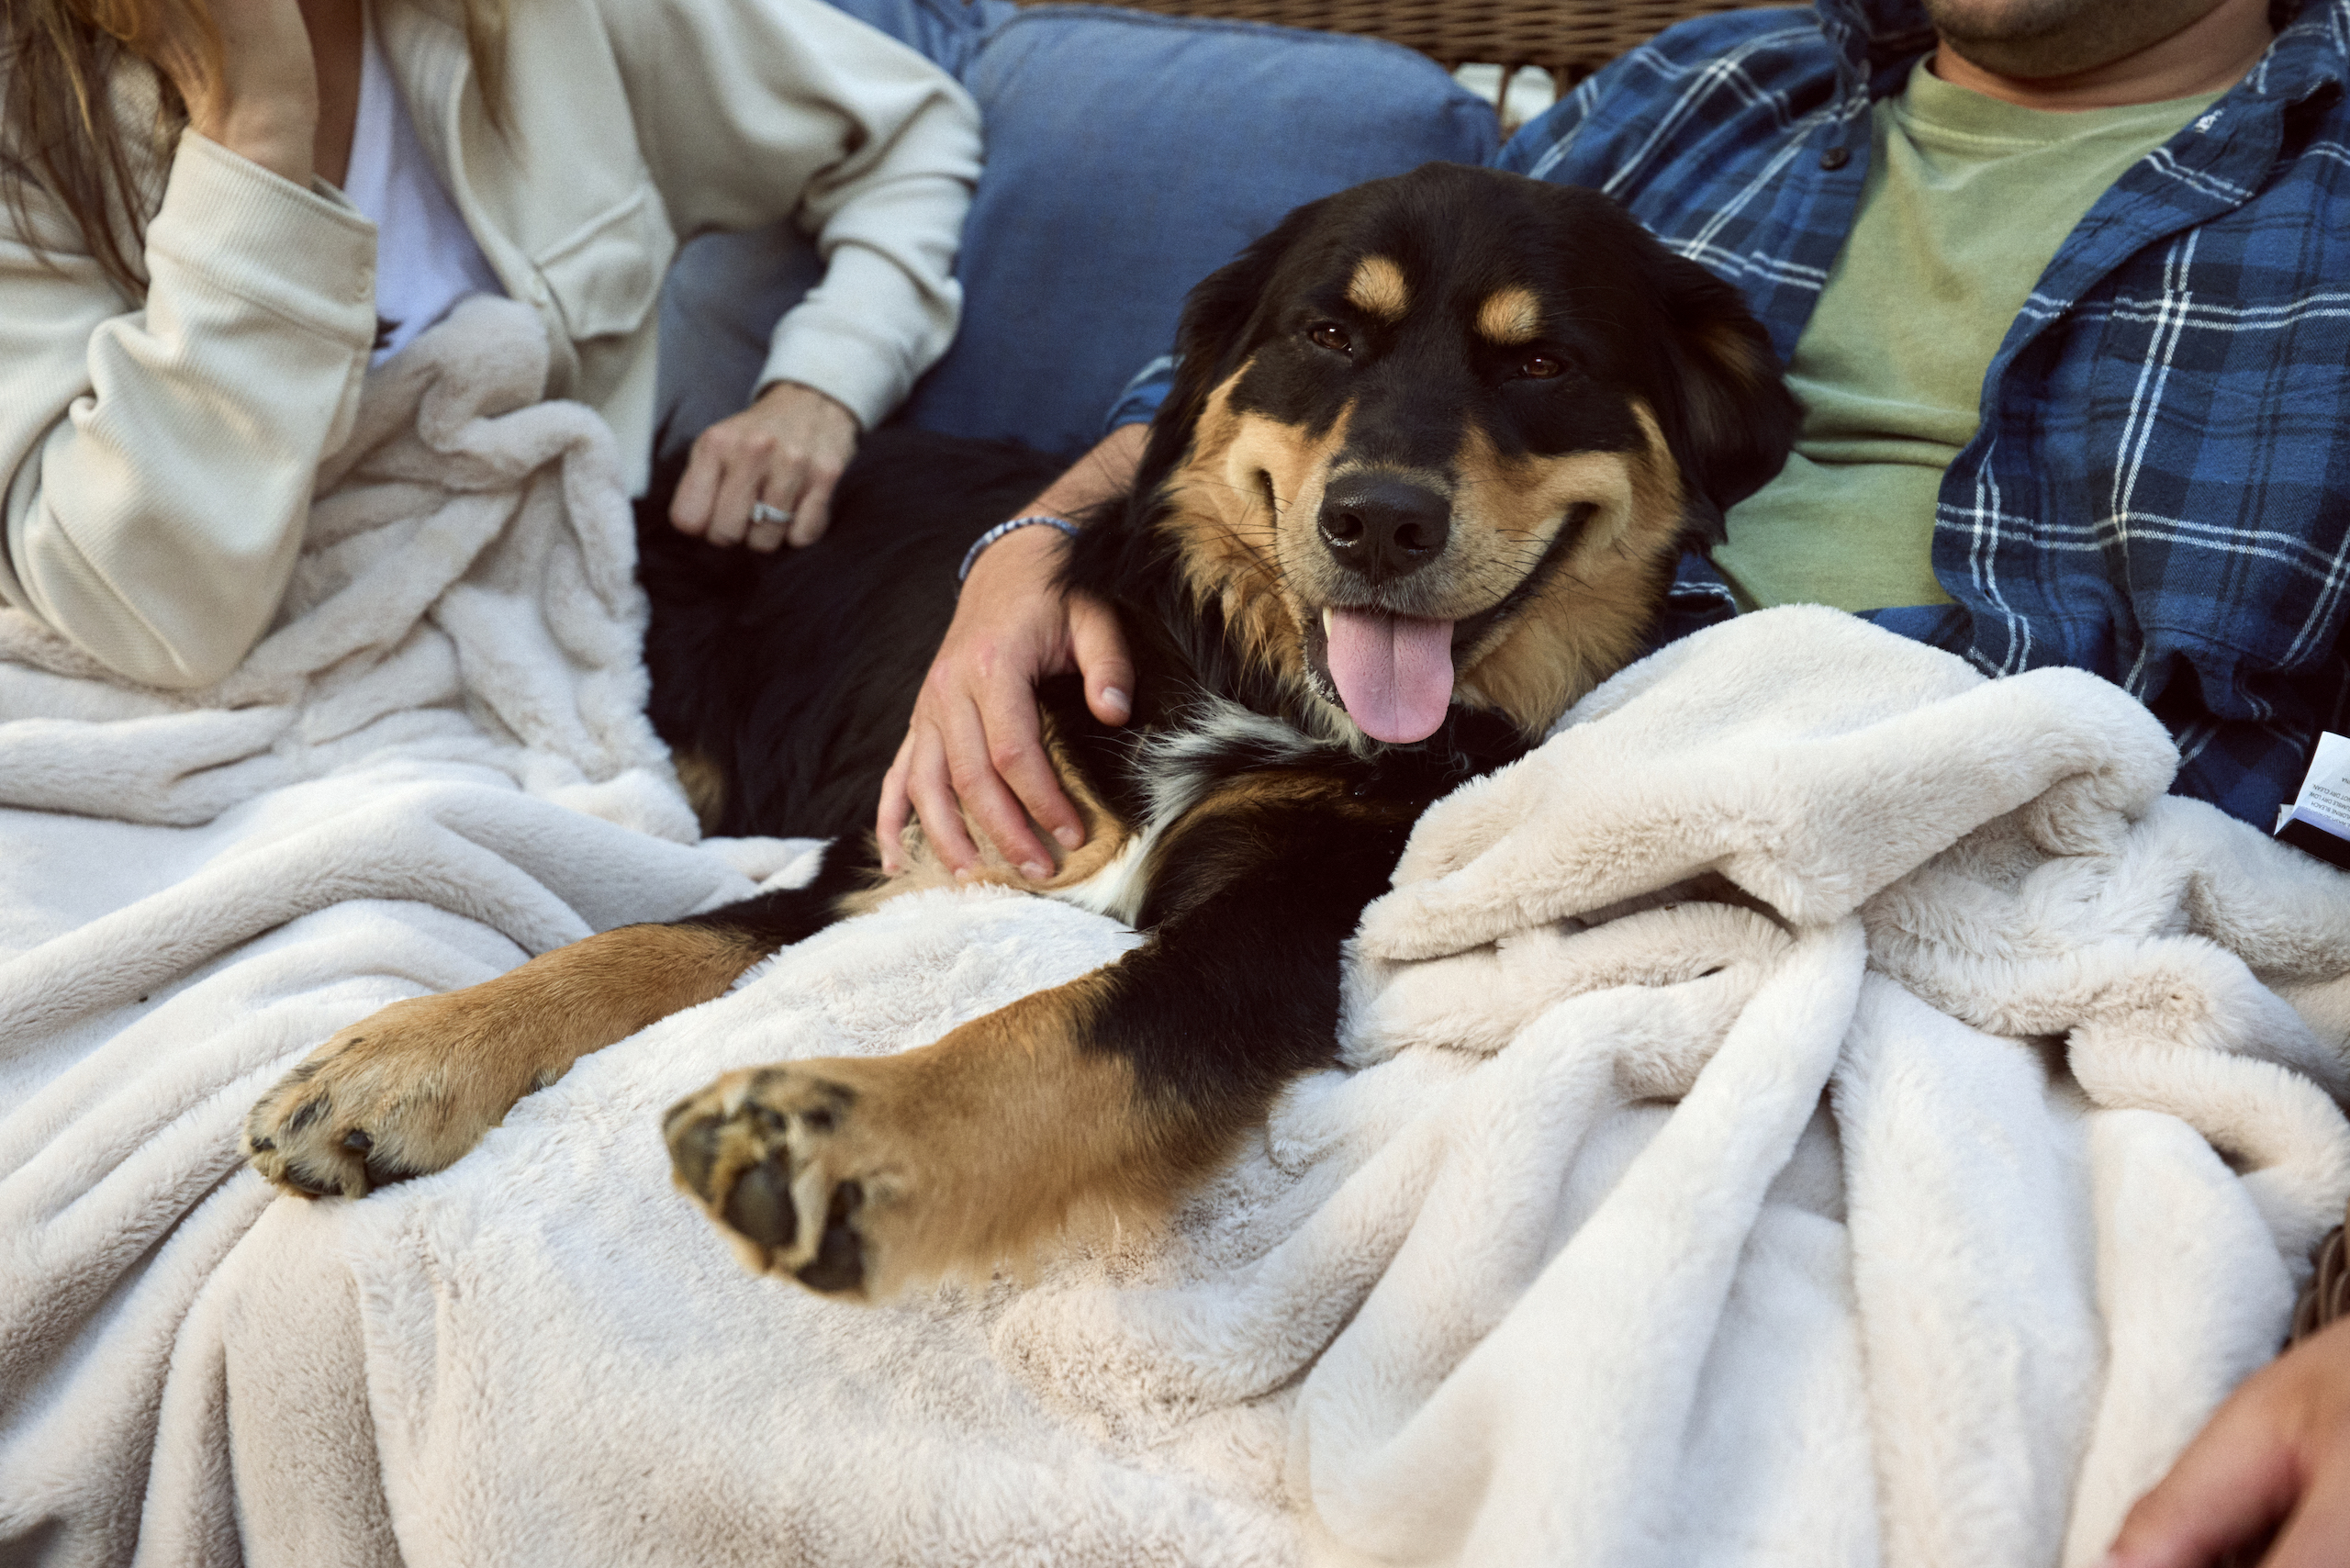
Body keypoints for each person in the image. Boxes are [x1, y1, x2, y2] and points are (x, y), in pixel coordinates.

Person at [881, 0, 2350, 1560]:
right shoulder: (1721, 79)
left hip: (2014, 903)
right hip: (1500, 820)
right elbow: (1326, 327)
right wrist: (1031, 543)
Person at [0, 0, 979, 690]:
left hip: (578, 657)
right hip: (222, 711)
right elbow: (151, 614)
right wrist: (256, 127)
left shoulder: (549, 18)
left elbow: (907, 128)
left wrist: (821, 384)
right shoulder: (26, 121)